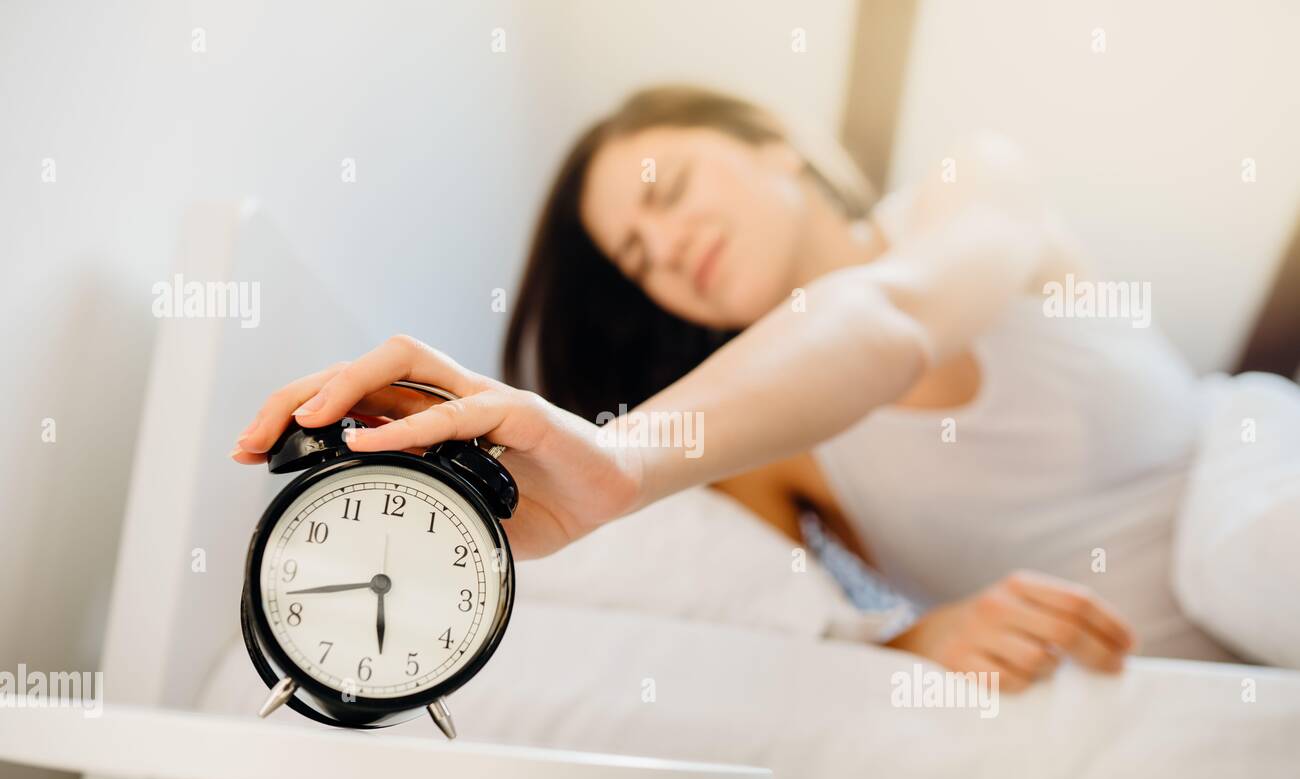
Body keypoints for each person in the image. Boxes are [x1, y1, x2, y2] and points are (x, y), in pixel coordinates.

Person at [233, 86, 1295, 686]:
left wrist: (621, 456)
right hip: (1165, 674)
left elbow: (889, 319)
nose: (663, 246)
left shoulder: (971, 191)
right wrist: (918, 634)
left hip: (1257, 489)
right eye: (636, 257)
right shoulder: (753, 445)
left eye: (669, 191)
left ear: (776, 145)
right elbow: (848, 622)